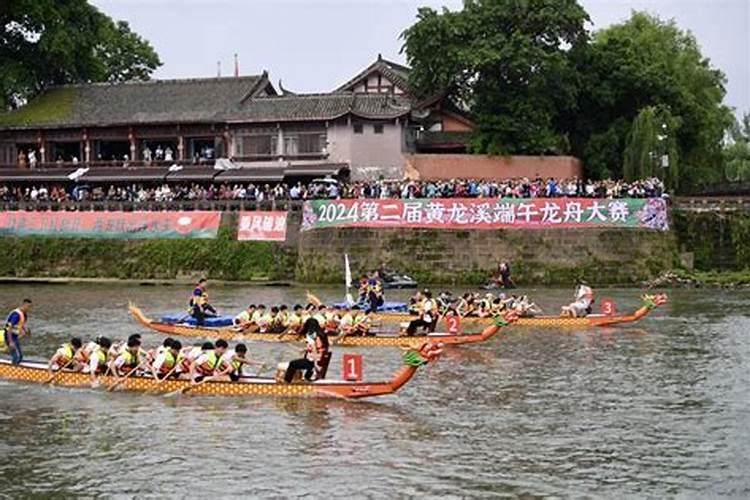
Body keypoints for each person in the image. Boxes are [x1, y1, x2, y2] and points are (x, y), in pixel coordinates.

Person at [1, 299, 32, 365]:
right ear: (23, 305)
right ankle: (12, 370)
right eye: (27, 306)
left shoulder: (24, 314)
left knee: (20, 356)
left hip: (15, 336)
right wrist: (11, 341)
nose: (28, 308)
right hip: (9, 336)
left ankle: (16, 367)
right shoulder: (16, 315)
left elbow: (21, 324)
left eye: (30, 307)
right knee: (16, 356)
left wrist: (26, 330)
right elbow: (9, 328)